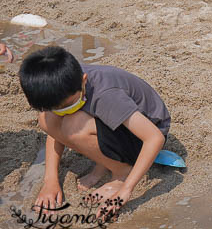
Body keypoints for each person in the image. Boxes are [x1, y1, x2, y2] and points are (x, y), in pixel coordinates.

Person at [20, 46, 171, 213]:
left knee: (73, 125)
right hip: (115, 123)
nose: (64, 110)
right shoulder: (63, 82)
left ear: (84, 80)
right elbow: (53, 131)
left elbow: (154, 137)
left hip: (142, 135)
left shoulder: (106, 95)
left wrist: (126, 189)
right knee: (46, 119)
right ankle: (103, 164)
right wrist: (50, 182)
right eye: (58, 108)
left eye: (69, 104)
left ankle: (122, 173)